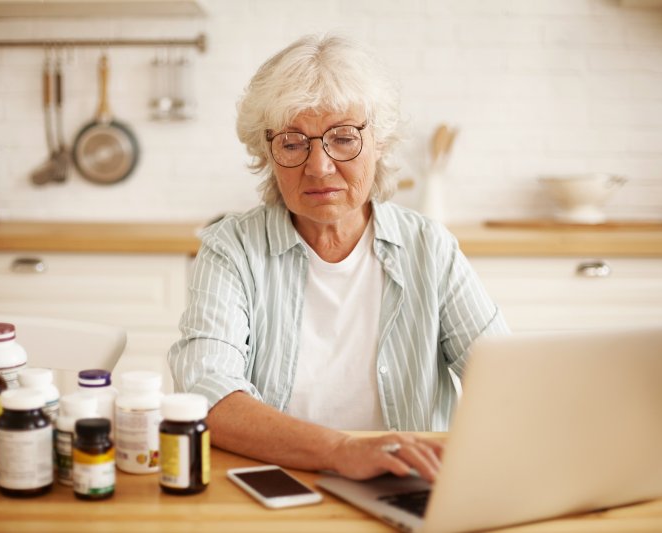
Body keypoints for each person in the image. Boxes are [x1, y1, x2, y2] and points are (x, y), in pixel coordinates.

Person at [168, 33, 508, 483]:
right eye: (293, 143)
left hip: (406, 485)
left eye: (343, 139)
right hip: (275, 483)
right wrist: (342, 450)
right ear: (266, 153)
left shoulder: (430, 247)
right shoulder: (232, 248)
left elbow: (507, 379)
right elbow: (206, 393)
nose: (319, 166)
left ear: (379, 142)